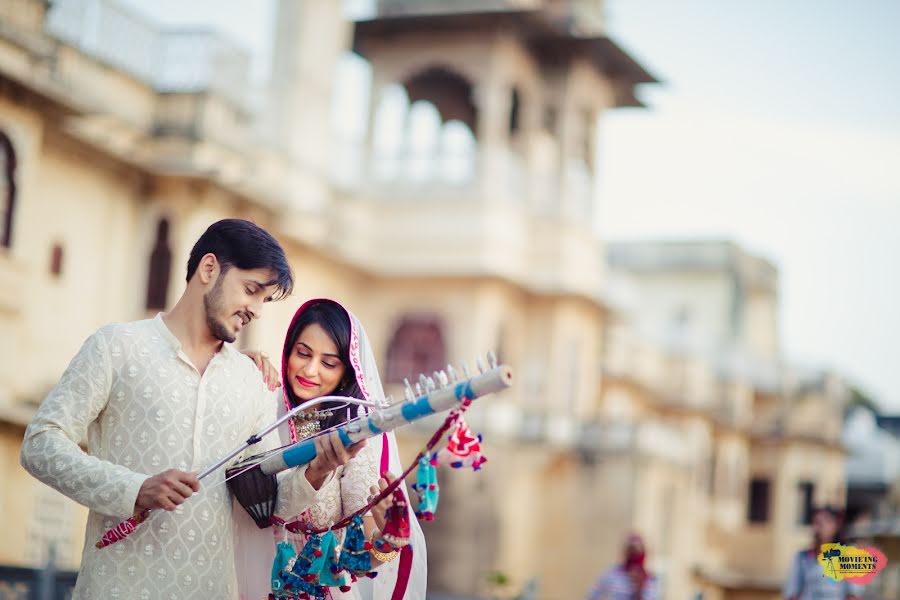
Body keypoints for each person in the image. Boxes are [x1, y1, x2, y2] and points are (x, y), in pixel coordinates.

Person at [19, 219, 355, 599]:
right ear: (209, 269)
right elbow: (41, 444)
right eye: (251, 290)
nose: (256, 310)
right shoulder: (117, 347)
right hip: (117, 588)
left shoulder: (251, 380)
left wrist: (318, 469)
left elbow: (266, 501)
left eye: (264, 299)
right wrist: (135, 488)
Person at [233, 298, 427, 600]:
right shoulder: (261, 407)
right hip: (241, 583)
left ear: (346, 373)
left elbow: (354, 562)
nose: (310, 370)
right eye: (303, 353)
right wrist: (234, 366)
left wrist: (388, 540)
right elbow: (256, 496)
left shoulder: (354, 438)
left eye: (328, 363)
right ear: (288, 351)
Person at [783, 506, 862, 600]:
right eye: (816, 523)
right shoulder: (802, 558)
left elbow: (853, 595)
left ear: (836, 525)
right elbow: (793, 594)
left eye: (823, 522)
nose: (818, 528)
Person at [586, 533, 659, 600]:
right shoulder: (612, 574)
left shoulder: (651, 579)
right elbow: (593, 596)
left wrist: (639, 588)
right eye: (630, 550)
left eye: (636, 551)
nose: (633, 554)